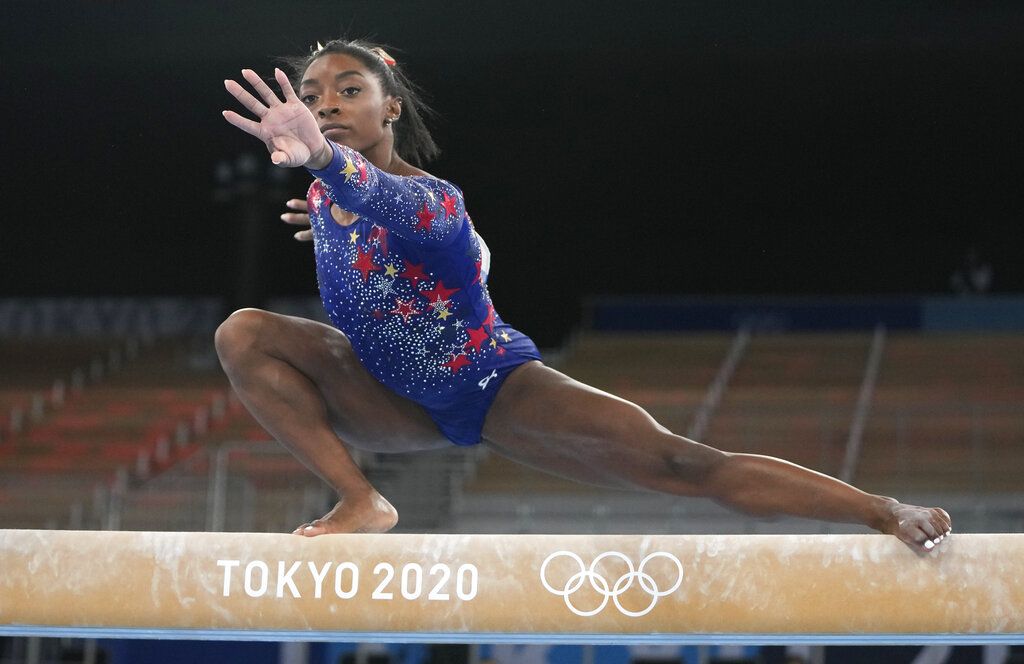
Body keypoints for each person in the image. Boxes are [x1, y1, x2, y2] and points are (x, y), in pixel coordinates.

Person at [218, 39, 951, 553]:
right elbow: (359, 210)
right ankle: (360, 499)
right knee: (244, 333)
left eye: (350, 92)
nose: (327, 106)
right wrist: (333, 214)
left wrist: (322, 158)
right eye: (313, 97)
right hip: (389, 402)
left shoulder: (428, 198)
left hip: (494, 387)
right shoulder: (325, 200)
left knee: (684, 465)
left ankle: (884, 512)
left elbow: (401, 208)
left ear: (391, 110)